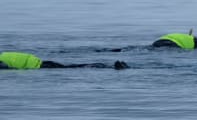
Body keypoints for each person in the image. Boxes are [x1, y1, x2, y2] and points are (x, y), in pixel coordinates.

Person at [0, 51, 128, 70]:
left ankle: (109, 67)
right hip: (43, 63)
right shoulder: (3, 55)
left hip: (42, 67)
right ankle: (108, 66)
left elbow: (5, 67)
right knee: (72, 67)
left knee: (73, 68)